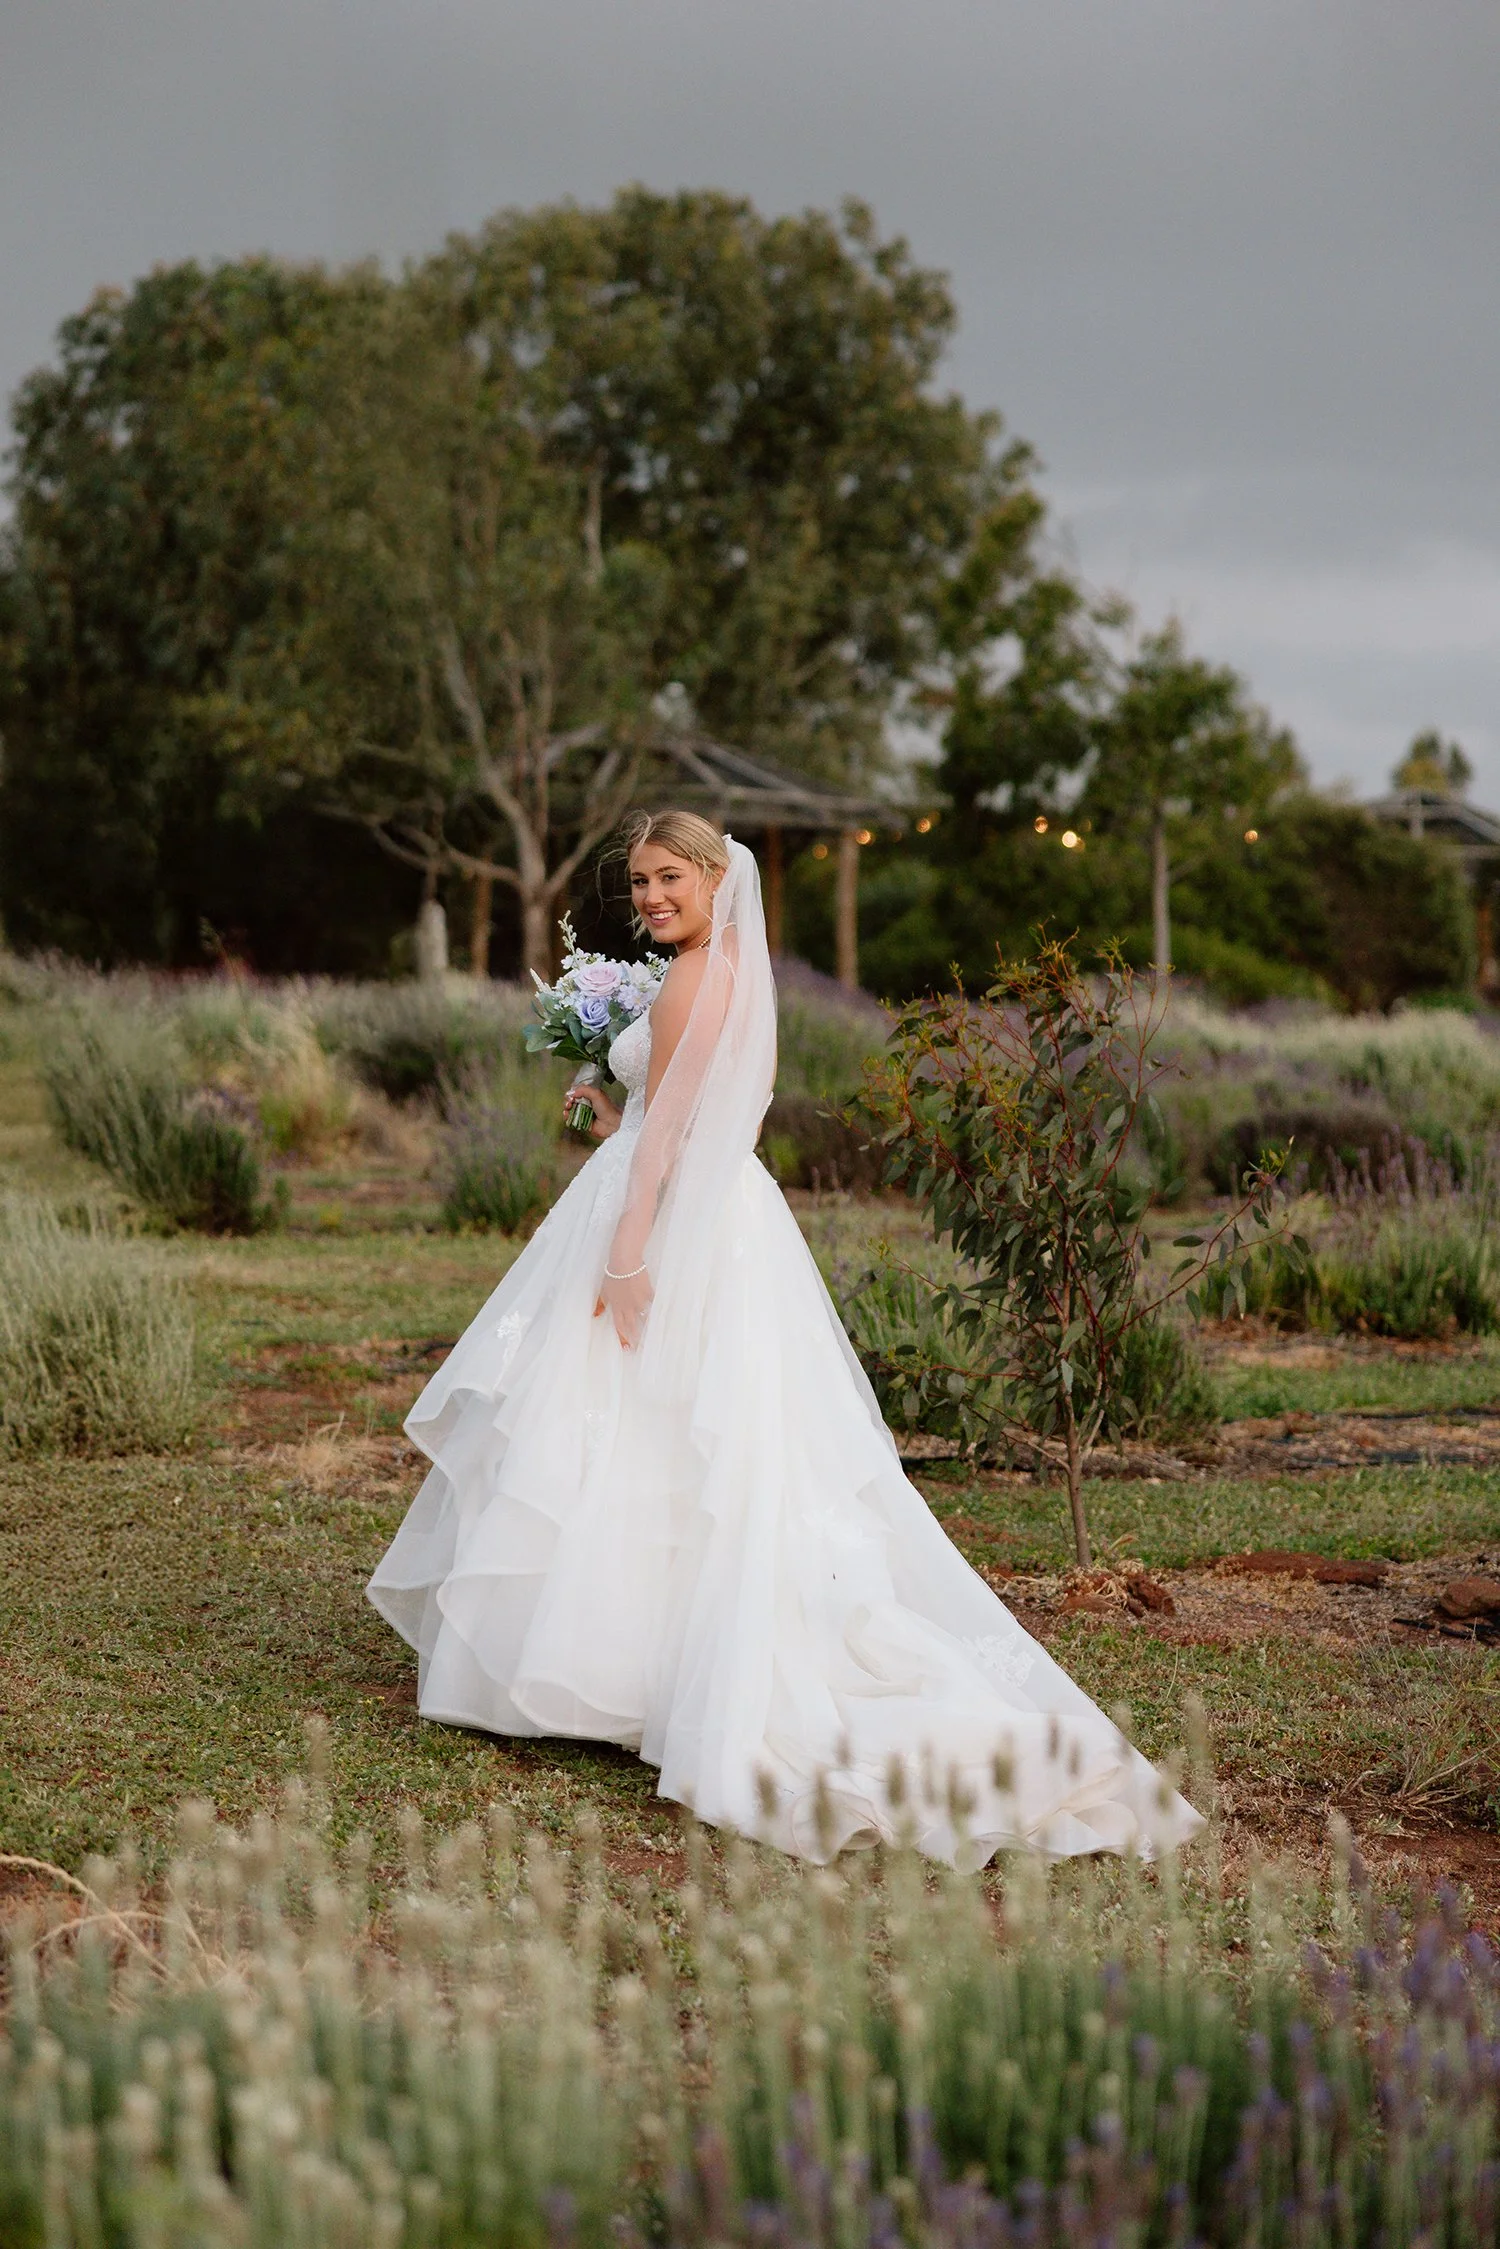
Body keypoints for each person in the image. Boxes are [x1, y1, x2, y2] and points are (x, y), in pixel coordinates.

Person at [368, 811, 1201, 1867]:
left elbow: (671, 1131)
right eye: (640, 882)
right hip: (712, 1205)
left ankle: (616, 1665)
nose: (652, 897)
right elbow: (675, 1112)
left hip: (668, 1218)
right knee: (672, 1431)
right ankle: (634, 1661)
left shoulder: (692, 976)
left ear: (715, 878)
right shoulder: (723, 971)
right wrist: (611, 1107)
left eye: (670, 877)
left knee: (634, 1419)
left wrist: (627, 1249)